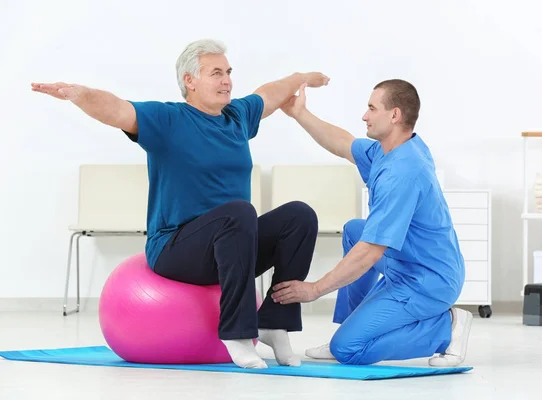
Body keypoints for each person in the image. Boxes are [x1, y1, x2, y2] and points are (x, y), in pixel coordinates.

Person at [31, 39, 331, 369]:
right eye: (216, 73)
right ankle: (236, 333)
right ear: (189, 80)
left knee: (299, 216)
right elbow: (117, 109)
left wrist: (303, 77)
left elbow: (271, 93)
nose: (227, 80)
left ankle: (274, 323)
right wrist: (78, 94)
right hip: (176, 249)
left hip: (233, 246)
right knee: (239, 212)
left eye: (228, 72)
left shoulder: (238, 117)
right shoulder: (168, 120)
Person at [271, 79, 473, 367]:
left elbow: (371, 252)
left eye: (371, 108)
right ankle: (352, 325)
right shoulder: (390, 150)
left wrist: (314, 289)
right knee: (356, 229)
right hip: (410, 262)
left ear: (395, 115)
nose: (364, 116)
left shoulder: (403, 173)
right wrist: (299, 113)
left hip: (428, 281)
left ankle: (446, 327)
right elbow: (341, 143)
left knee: (349, 350)